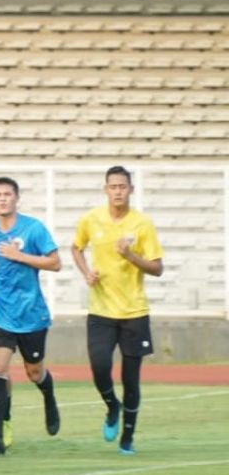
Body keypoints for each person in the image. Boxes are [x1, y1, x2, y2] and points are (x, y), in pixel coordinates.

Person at [71, 166, 164, 455]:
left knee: (131, 378)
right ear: (106, 189)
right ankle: (112, 406)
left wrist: (130, 255)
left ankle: (128, 437)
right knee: (99, 368)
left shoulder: (142, 224)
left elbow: (157, 268)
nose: (118, 192)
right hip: (100, 311)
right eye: (113, 187)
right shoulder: (91, 219)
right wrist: (86, 272)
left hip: (134, 312)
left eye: (123, 187)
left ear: (131, 190)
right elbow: (75, 248)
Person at [0, 176, 62, 456]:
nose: (1, 199)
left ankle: (48, 393)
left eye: (7, 194)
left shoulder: (33, 228)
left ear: (16, 198)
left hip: (31, 313)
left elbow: (55, 262)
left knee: (34, 371)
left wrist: (19, 256)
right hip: (0, 312)